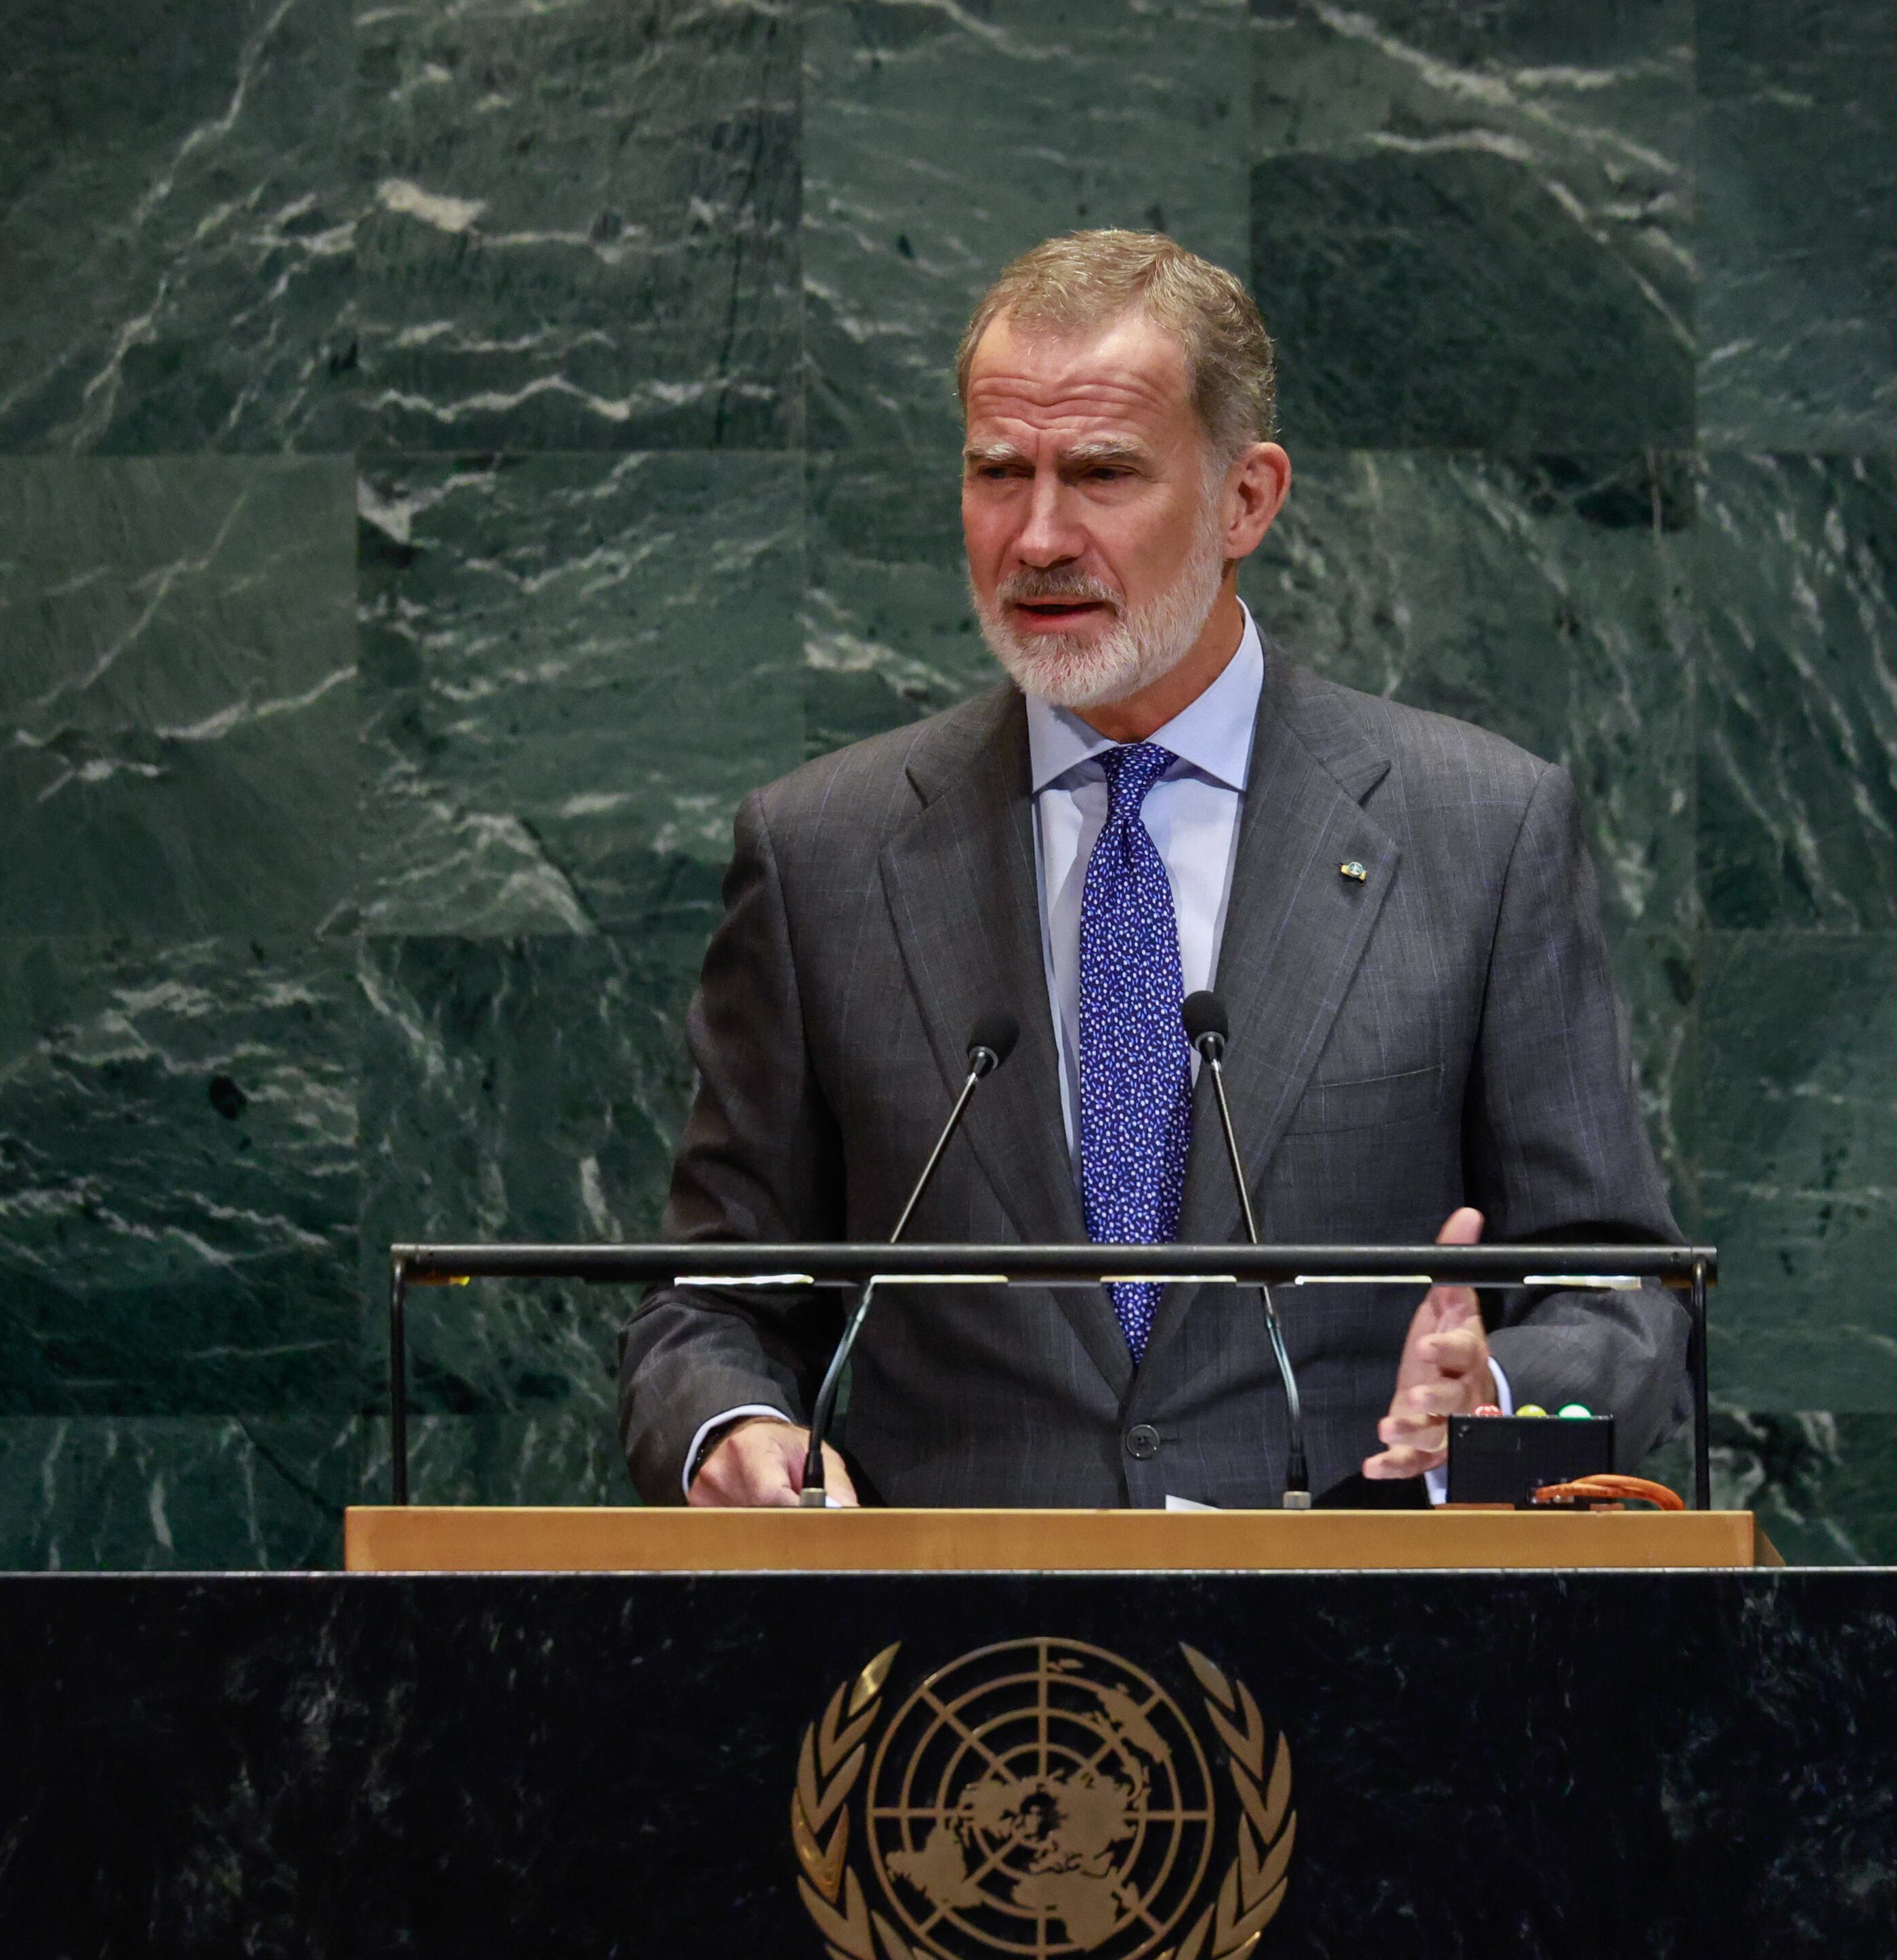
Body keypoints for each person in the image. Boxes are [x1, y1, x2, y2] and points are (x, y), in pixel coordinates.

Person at [616, 231, 1691, 1510]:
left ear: (1247, 498)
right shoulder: (823, 854)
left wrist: (1497, 1411)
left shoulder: (1481, 830)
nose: (1037, 535)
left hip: (1357, 1606)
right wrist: (729, 1428)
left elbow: (1620, 1291)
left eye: (1103, 473)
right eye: (999, 472)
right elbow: (710, 1303)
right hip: (953, 1626)